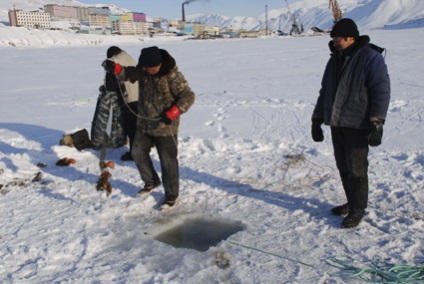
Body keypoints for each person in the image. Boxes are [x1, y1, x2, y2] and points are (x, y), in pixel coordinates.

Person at [311, 18, 390, 228]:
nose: (335, 42)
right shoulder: (334, 59)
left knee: (357, 169)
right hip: (337, 123)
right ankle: (351, 202)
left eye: (338, 39)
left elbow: (381, 91)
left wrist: (377, 122)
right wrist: (317, 118)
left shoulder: (370, 58)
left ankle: (358, 209)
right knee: (343, 167)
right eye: (334, 38)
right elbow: (325, 90)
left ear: (351, 37)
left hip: (358, 123)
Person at [102, 46, 195, 208]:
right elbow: (130, 74)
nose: (148, 71)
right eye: (145, 68)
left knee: (168, 161)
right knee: (137, 152)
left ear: (159, 64)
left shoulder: (172, 76)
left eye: (151, 68)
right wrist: (116, 68)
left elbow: (188, 95)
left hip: (166, 126)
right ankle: (151, 181)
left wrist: (173, 112)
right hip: (144, 123)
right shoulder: (144, 70)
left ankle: (171, 195)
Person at [91, 46, 139, 162]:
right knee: (137, 127)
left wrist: (105, 89)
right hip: (140, 96)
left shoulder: (115, 61)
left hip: (129, 99)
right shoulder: (130, 58)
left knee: (131, 128)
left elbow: (110, 85)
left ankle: (134, 154)